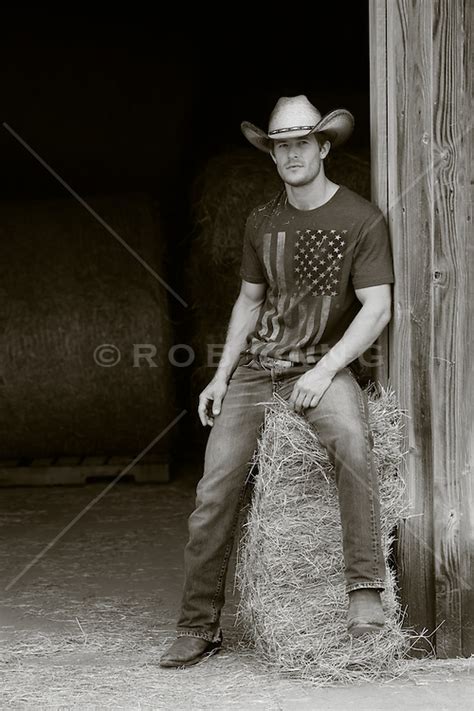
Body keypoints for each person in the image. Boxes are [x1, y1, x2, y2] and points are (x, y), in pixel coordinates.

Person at [160, 95, 394, 668]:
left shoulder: (361, 218)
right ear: (272, 153)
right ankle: (198, 624)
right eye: (280, 145)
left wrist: (326, 369)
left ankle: (365, 599)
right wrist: (220, 376)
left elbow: (377, 308)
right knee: (214, 488)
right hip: (257, 371)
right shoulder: (261, 221)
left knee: (354, 444)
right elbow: (248, 300)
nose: (291, 153)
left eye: (300, 142)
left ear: (323, 146)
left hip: (320, 365)